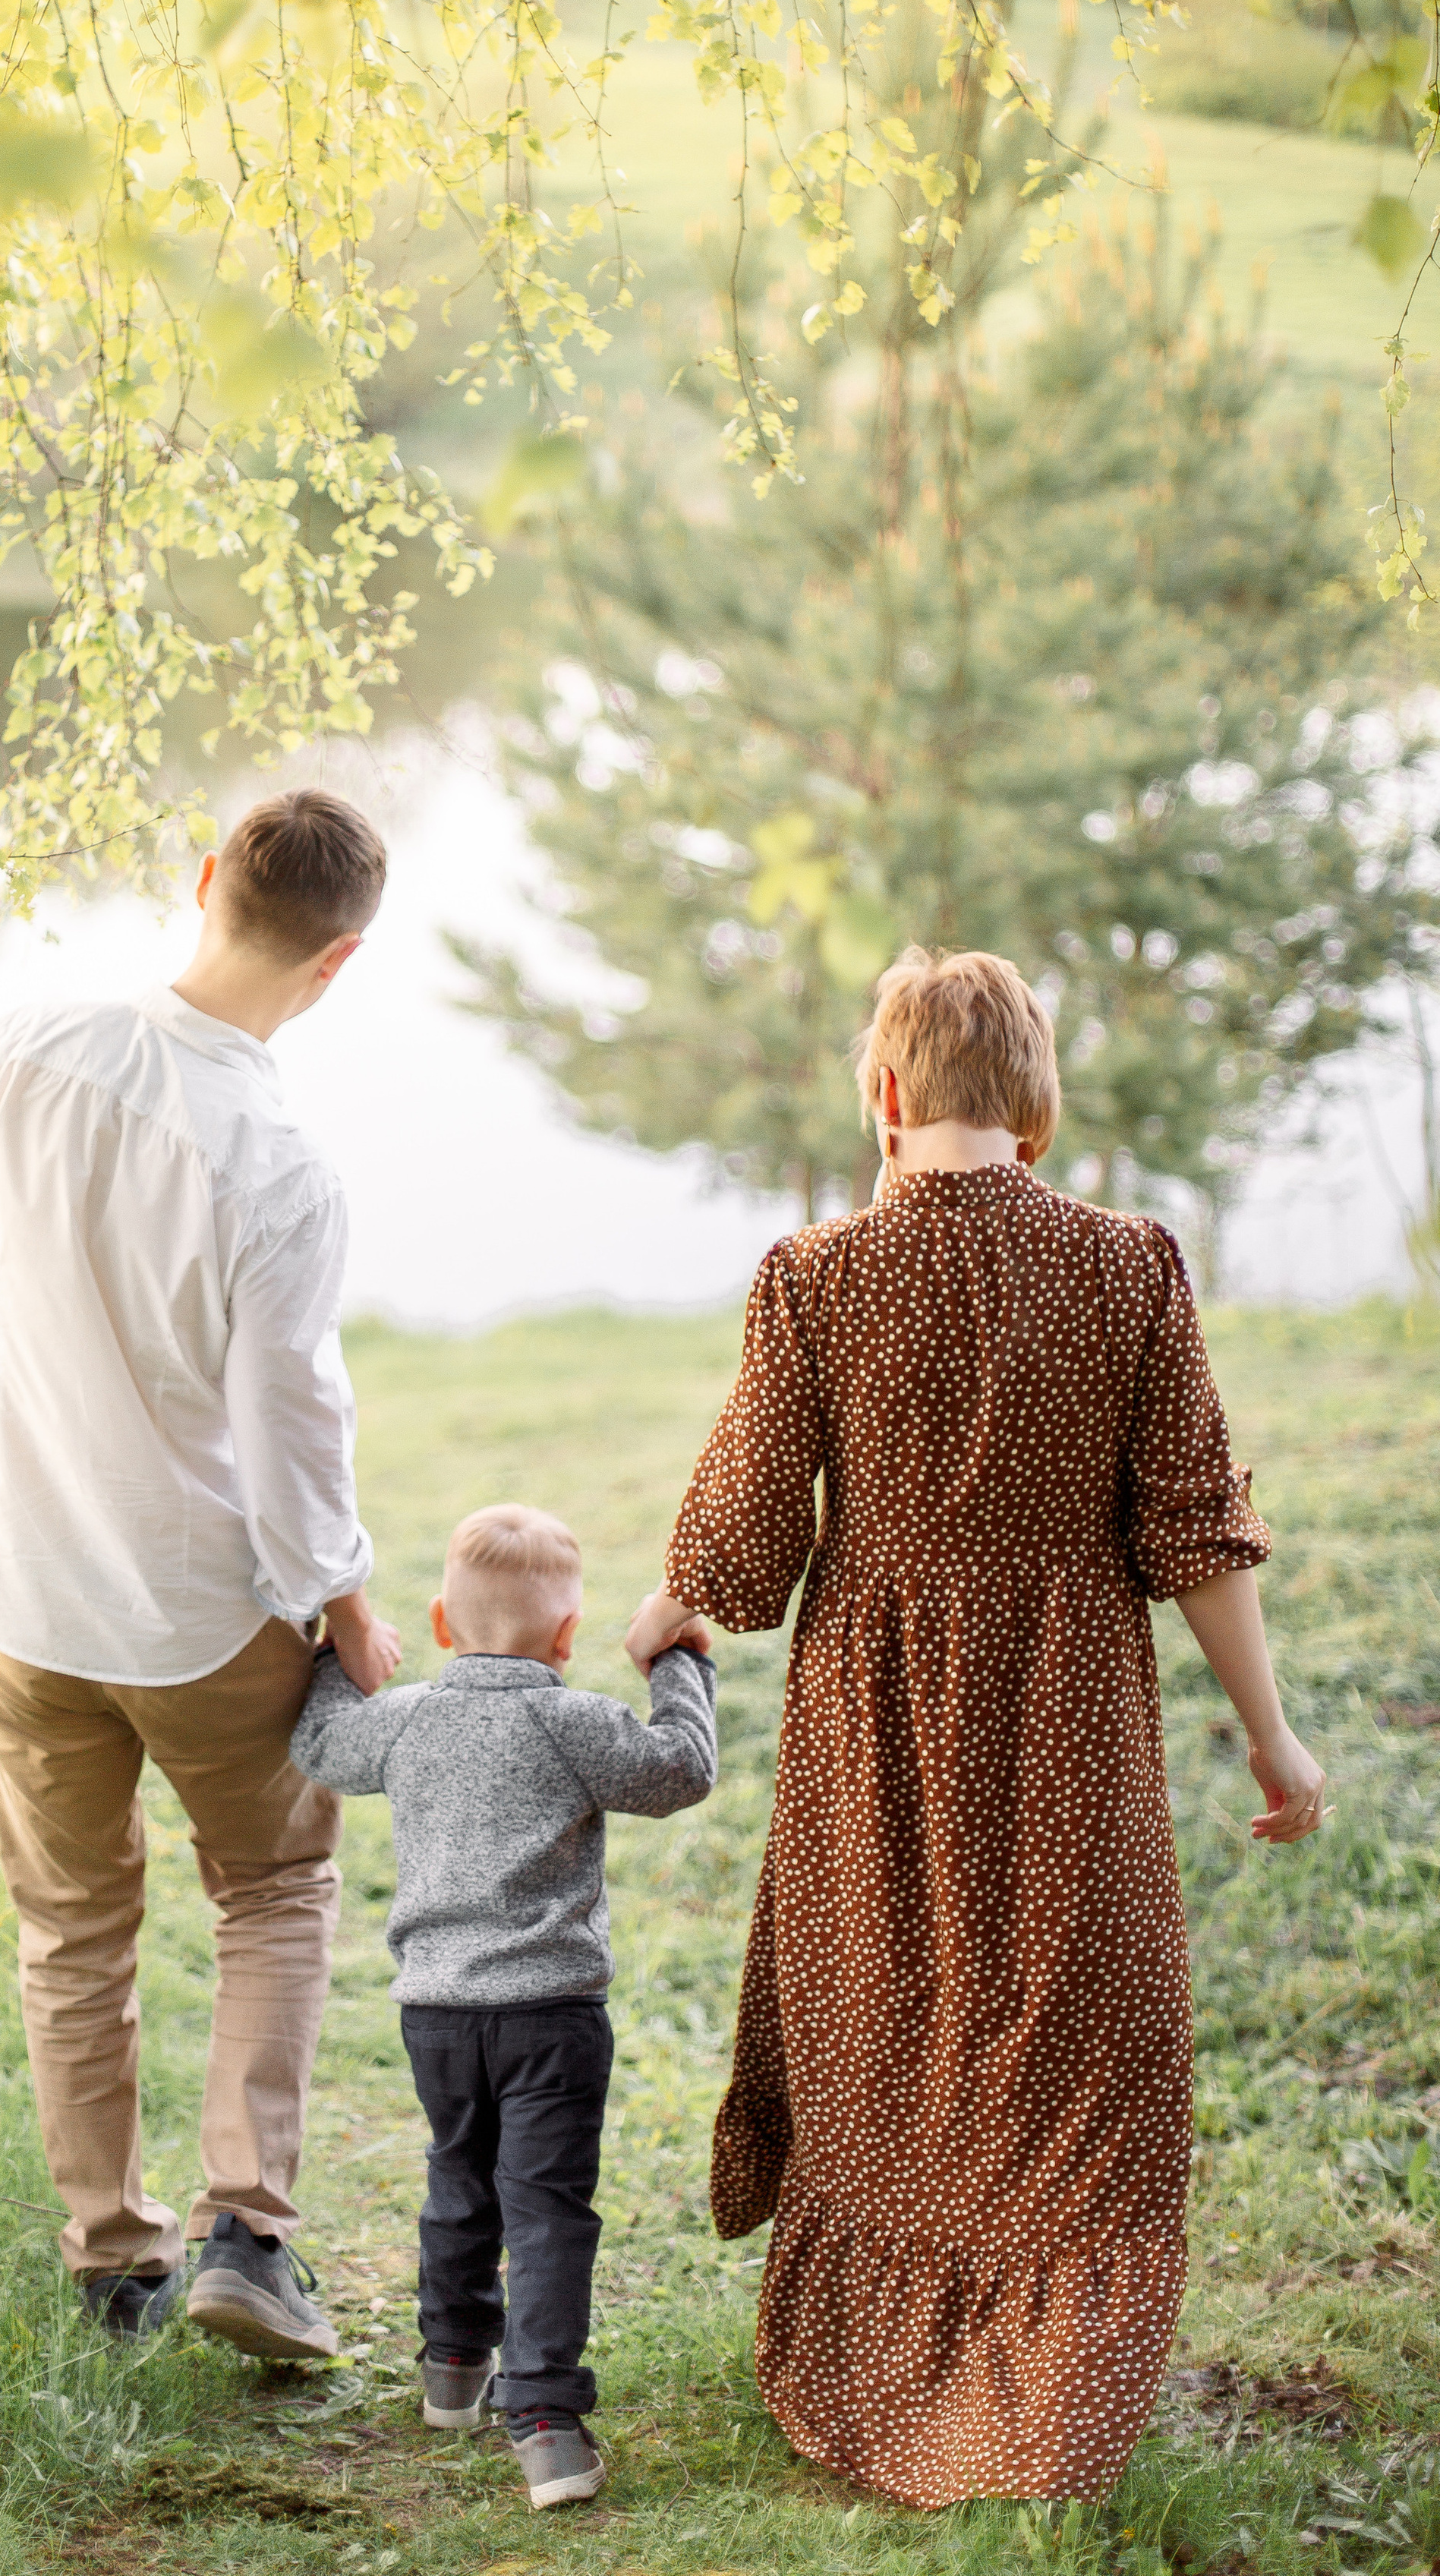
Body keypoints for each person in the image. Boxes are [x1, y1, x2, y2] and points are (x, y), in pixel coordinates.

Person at [626, 945, 1327, 2510]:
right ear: (1036, 1106)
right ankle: (1049, 2385)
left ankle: (891, 2361)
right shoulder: (1130, 1263)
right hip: (1069, 1694)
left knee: (882, 1996)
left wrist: (672, 1601)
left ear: (882, 1097)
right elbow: (1195, 1535)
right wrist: (1269, 1740)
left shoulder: (812, 1277)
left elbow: (740, 1557)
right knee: (1069, 2016)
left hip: (871, 1711)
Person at [0, 788, 403, 2363]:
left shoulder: (17, 1044)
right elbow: (290, 1425)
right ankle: (247, 2236)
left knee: (71, 1924)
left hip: (13, 1587)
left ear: (204, 877)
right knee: (275, 1888)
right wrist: (339, 1595)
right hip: (192, 1611)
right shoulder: (280, 1165)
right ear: (338, 963)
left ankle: (109, 2263)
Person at [291, 1503, 719, 2510]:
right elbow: (682, 1771)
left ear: (440, 1623)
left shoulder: (405, 1721)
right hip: (552, 2016)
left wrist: (335, 1645)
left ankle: (451, 2372)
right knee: (548, 2207)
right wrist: (680, 1666)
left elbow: (319, 1744)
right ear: (568, 1639)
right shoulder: (573, 1722)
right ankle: (545, 2424)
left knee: (459, 2177)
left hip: (436, 2013)